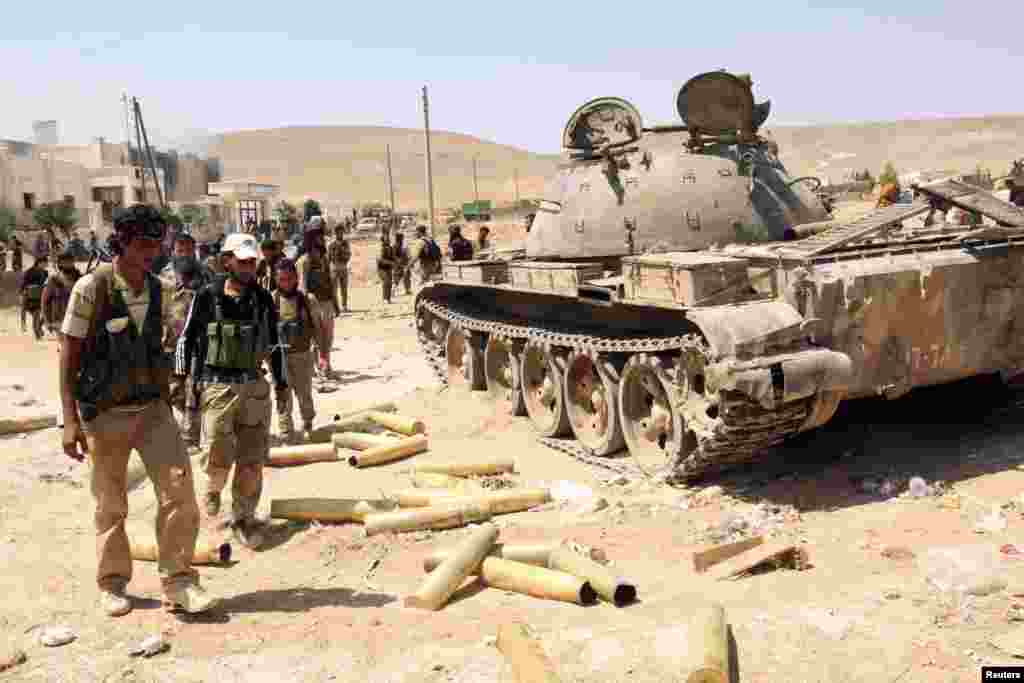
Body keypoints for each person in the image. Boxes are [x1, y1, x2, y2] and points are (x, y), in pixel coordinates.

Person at [59, 203, 217, 617]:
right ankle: (112, 583)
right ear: (123, 242)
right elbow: (68, 354)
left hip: (152, 409)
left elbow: (177, 334)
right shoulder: (91, 288)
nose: (152, 250)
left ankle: (179, 581)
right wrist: (70, 420)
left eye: (156, 243)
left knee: (179, 492)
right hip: (105, 413)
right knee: (111, 505)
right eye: (144, 243)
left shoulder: (160, 288)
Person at [176, 232, 287, 549]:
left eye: (253, 262)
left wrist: (280, 382)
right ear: (227, 261)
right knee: (218, 456)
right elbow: (187, 339)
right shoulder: (207, 296)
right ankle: (213, 487)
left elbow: (274, 343)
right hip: (218, 386)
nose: (249, 268)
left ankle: (244, 517)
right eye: (242, 262)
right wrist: (184, 379)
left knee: (252, 459)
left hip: (253, 386)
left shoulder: (263, 299)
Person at [271, 258, 329, 443]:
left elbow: (318, 329)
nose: (286, 283)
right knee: (283, 396)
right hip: (280, 357)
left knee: (304, 393)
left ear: (296, 277)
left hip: (303, 355)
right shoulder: (272, 300)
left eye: (289, 278)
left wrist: (323, 355)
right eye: (282, 279)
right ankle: (286, 432)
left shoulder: (307, 299)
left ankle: (308, 423)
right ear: (276, 279)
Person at [164, 256, 204, 450]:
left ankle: (190, 439)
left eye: (172, 273)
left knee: (191, 393)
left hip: (192, 352)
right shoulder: (166, 296)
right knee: (174, 393)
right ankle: (184, 431)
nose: (169, 276)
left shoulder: (195, 296)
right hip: (170, 351)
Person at [295, 218, 339, 374]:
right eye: (318, 235)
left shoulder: (324, 259)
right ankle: (319, 367)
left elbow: (331, 283)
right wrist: (305, 308)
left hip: (326, 303)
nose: (322, 238)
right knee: (317, 339)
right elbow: (302, 286)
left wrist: (336, 303)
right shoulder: (304, 261)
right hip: (313, 304)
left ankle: (326, 365)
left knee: (328, 338)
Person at [42, 248, 82, 337]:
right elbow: (45, 301)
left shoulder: (81, 279)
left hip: (77, 319)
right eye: (65, 261)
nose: (68, 264)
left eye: (70, 261)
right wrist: (47, 321)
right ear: (59, 263)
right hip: (59, 320)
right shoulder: (53, 280)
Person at [20, 255, 48, 339]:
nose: (46, 265)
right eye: (45, 263)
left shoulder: (45, 272)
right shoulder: (29, 271)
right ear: (39, 263)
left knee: (44, 314)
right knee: (36, 315)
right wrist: (24, 292)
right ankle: (37, 334)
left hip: (41, 296)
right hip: (31, 297)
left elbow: (46, 283)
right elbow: (24, 283)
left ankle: (38, 327)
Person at [407, 225, 442, 291]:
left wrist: (408, 265)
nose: (415, 233)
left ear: (419, 232)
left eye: (416, 232)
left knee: (422, 284)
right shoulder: (430, 239)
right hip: (434, 264)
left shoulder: (420, 242)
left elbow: (415, 256)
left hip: (425, 265)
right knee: (430, 282)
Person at [327, 231, 351, 312]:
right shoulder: (332, 244)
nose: (340, 234)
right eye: (338, 232)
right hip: (334, 268)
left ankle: (344, 306)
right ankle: (336, 308)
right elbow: (329, 257)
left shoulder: (345, 243)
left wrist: (345, 256)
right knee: (334, 290)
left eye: (341, 232)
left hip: (343, 267)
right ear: (336, 233)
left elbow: (348, 254)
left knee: (344, 288)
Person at [377, 231, 395, 303]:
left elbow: (393, 257)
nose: (388, 239)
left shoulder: (390, 247)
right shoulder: (381, 248)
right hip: (382, 268)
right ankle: (385, 298)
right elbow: (380, 259)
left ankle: (388, 298)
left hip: (389, 268)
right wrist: (391, 262)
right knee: (386, 282)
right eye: (386, 238)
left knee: (389, 283)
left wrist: (395, 262)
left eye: (388, 238)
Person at [393, 231, 411, 296]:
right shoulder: (397, 245)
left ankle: (407, 290)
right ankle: (406, 290)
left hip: (400, 264)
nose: (402, 239)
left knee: (401, 278)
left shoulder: (397, 245)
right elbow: (395, 256)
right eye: (402, 237)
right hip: (401, 264)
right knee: (402, 277)